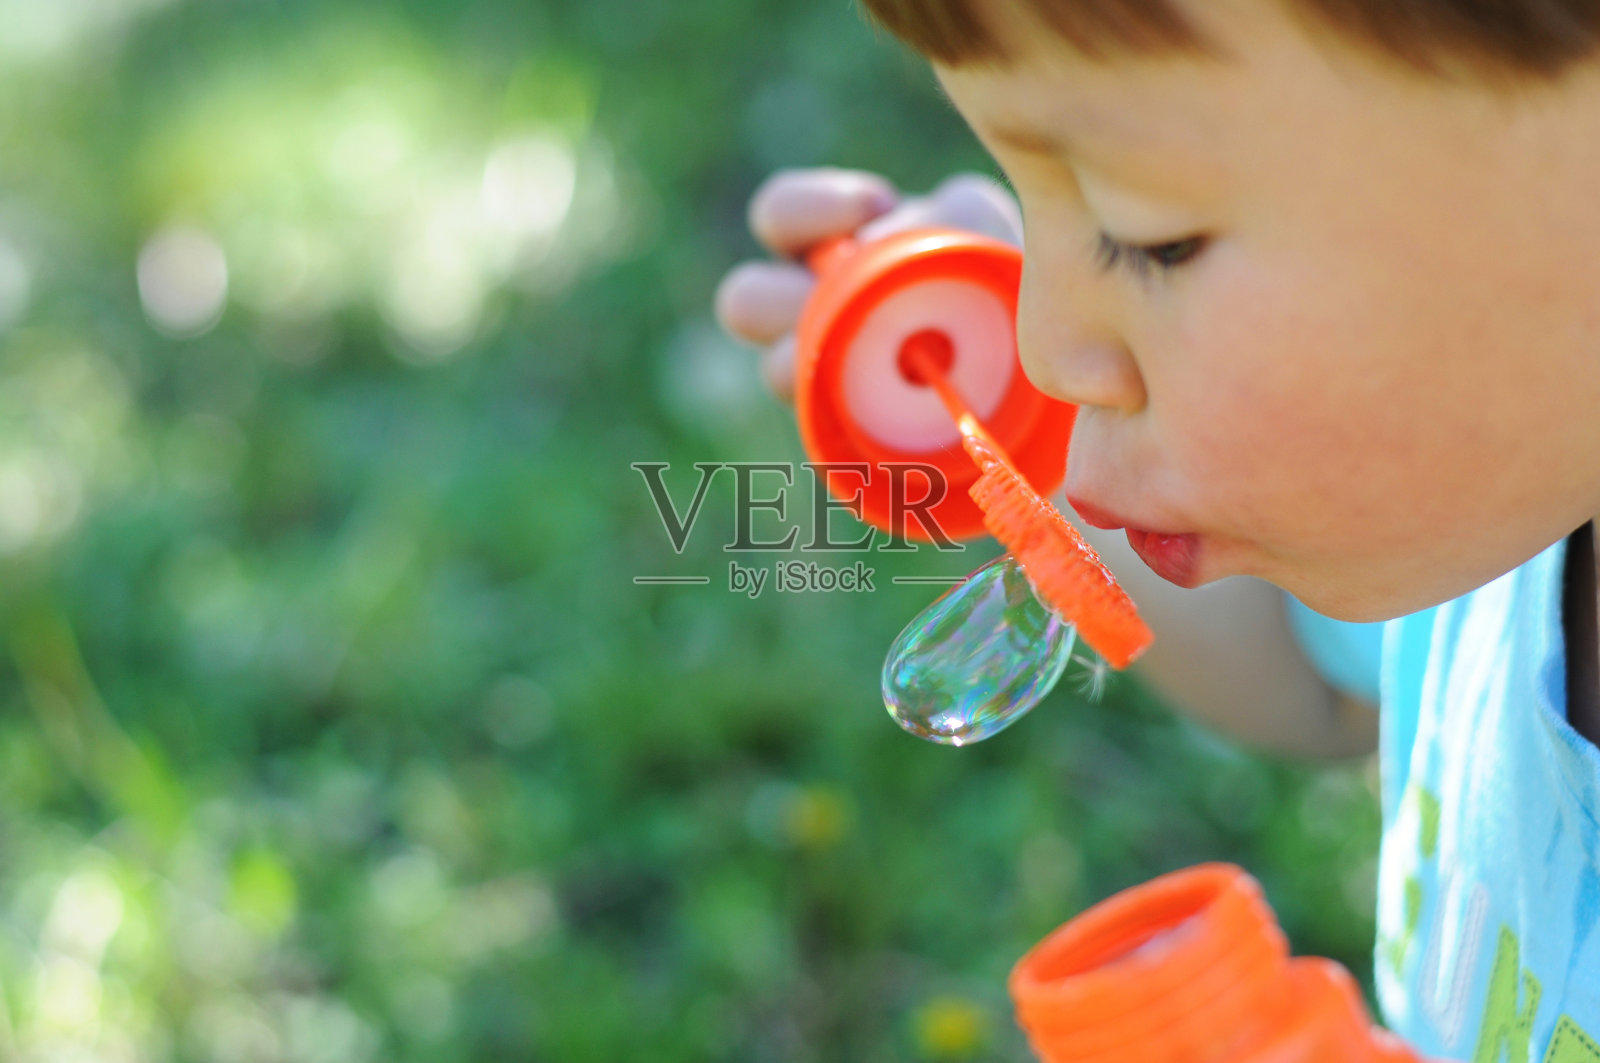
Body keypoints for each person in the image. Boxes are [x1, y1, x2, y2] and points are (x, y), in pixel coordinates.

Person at [713, 0, 1600, 1056]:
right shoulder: (1491, 520)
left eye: (1149, 237)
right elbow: (1306, 680)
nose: (1043, 349)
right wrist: (1006, 425)